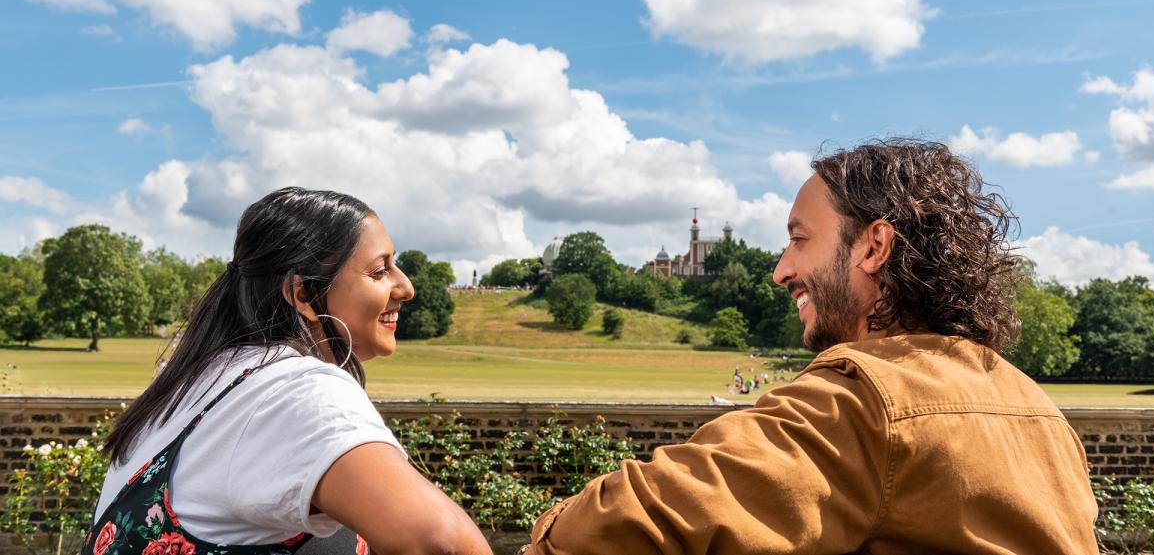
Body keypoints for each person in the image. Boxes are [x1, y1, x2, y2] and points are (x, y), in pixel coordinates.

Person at [523, 139, 1099, 554]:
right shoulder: (1033, 404)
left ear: (874, 247)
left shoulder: (861, 400)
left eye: (799, 239)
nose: (781, 270)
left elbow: (623, 522)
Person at [86, 187, 492, 555]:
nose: (406, 288)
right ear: (302, 295)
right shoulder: (292, 390)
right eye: (379, 270)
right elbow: (440, 543)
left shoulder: (198, 379)